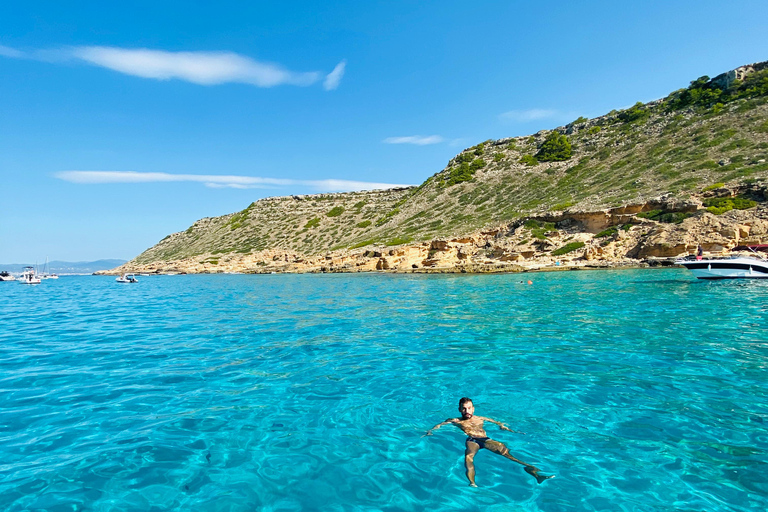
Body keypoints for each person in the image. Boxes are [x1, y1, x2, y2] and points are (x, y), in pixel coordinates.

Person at [424, 397, 554, 487]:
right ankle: (472, 483)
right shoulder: (455, 420)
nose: (467, 411)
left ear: (473, 408)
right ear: (459, 409)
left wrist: (506, 428)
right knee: (468, 457)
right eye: (464, 408)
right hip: (472, 440)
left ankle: (534, 472)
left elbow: (497, 422)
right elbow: (440, 424)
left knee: (508, 454)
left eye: (469, 408)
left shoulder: (480, 418)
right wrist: (430, 431)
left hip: (486, 440)